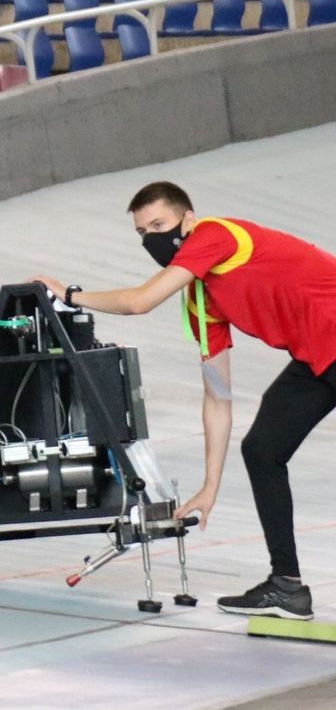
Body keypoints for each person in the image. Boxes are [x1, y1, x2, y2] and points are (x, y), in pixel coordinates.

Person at [33, 181, 336, 621]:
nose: (152, 238)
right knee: (263, 449)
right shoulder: (200, 302)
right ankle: (287, 587)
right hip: (317, 361)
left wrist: (69, 295)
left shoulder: (216, 235)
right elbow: (218, 396)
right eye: (142, 233)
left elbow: (141, 302)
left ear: (187, 220)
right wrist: (210, 486)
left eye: (159, 224)